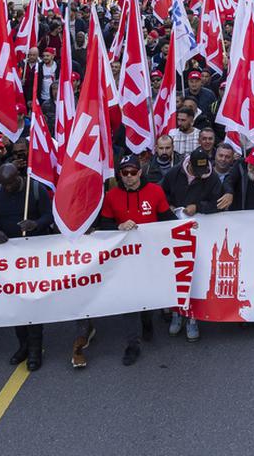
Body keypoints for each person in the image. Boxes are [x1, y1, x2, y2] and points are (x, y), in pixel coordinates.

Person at [78, 155, 176, 366]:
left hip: (150, 256)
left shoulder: (155, 191)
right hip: (123, 258)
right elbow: (104, 224)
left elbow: (167, 217)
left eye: (133, 172)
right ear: (120, 175)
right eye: (125, 173)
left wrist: (186, 227)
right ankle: (133, 344)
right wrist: (118, 227)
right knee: (128, 300)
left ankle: (147, 319)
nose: (129, 177)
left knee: (147, 298)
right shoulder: (111, 196)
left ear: (140, 172)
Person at [0, 163, 53, 371]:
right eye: (4, 184)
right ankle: (22, 345)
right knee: (16, 303)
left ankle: (35, 349)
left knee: (31, 302)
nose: (7, 188)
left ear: (18, 177)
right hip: (10, 256)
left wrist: (35, 224)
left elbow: (49, 216)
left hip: (32, 255)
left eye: (11, 184)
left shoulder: (35, 189)